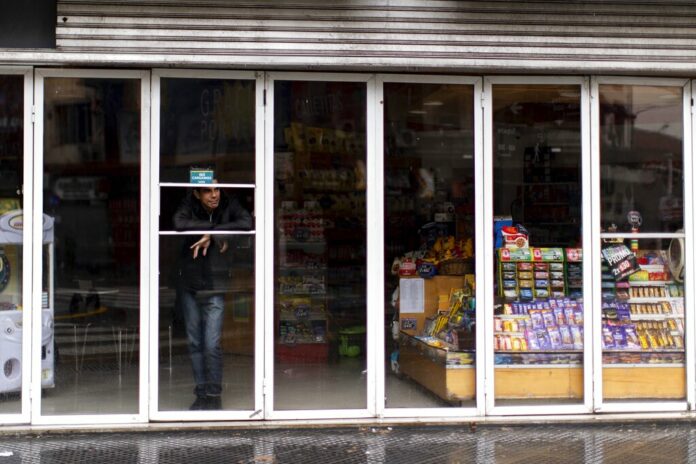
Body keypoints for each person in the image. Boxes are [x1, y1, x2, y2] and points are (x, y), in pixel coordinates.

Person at [173, 183, 252, 410]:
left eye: (216, 189)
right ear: (197, 194)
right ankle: (201, 394)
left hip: (215, 284)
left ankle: (214, 395)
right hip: (189, 284)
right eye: (207, 191)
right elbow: (178, 222)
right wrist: (210, 230)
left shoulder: (228, 202)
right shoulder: (189, 203)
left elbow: (246, 222)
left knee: (212, 343)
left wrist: (213, 233)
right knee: (195, 342)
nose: (214, 194)